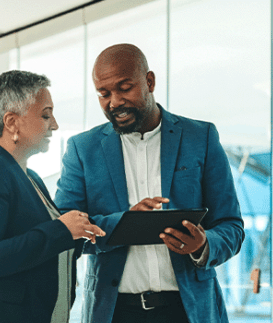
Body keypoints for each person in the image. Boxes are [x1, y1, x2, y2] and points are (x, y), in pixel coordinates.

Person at [54, 44, 245, 323]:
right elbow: (64, 229)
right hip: (114, 312)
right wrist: (124, 223)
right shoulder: (82, 149)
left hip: (189, 310)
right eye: (104, 94)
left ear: (150, 81)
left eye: (125, 88)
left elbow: (232, 225)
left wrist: (203, 245)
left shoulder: (200, 137)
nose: (114, 101)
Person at [0, 70, 105, 323]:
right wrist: (61, 230)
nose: (55, 124)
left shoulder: (32, 178)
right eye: (45, 115)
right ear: (12, 122)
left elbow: (45, 247)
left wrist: (113, 224)